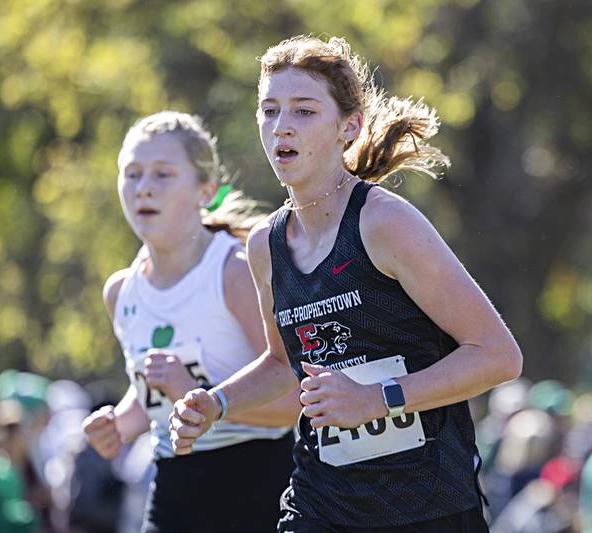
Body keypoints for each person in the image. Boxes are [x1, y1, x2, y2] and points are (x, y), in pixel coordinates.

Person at [170, 35, 523, 532]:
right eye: (269, 111)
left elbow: (497, 355)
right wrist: (217, 402)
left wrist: (377, 400)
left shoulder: (384, 224)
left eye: (304, 111)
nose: (282, 127)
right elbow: (283, 362)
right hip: (322, 505)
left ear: (349, 126)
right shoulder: (264, 247)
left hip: (428, 505)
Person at [82, 111, 300, 532]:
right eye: (132, 173)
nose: (144, 187)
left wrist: (203, 399)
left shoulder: (233, 272)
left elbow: (292, 403)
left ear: (205, 190)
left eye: (163, 174)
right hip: (172, 492)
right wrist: (119, 424)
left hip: (258, 490)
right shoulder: (121, 292)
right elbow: (152, 397)